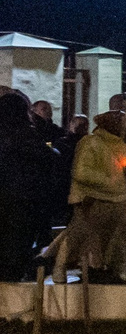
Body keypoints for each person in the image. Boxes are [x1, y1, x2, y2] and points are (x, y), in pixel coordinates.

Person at [66, 109, 126, 279]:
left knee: (120, 234)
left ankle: (119, 267)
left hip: (117, 197)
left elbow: (120, 168)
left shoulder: (120, 144)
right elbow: (81, 172)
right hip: (95, 198)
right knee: (86, 236)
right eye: (123, 123)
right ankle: (75, 267)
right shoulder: (91, 142)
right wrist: (111, 181)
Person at [0, 92, 60, 280]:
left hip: (12, 196)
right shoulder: (26, 133)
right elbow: (49, 156)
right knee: (16, 246)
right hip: (23, 199)